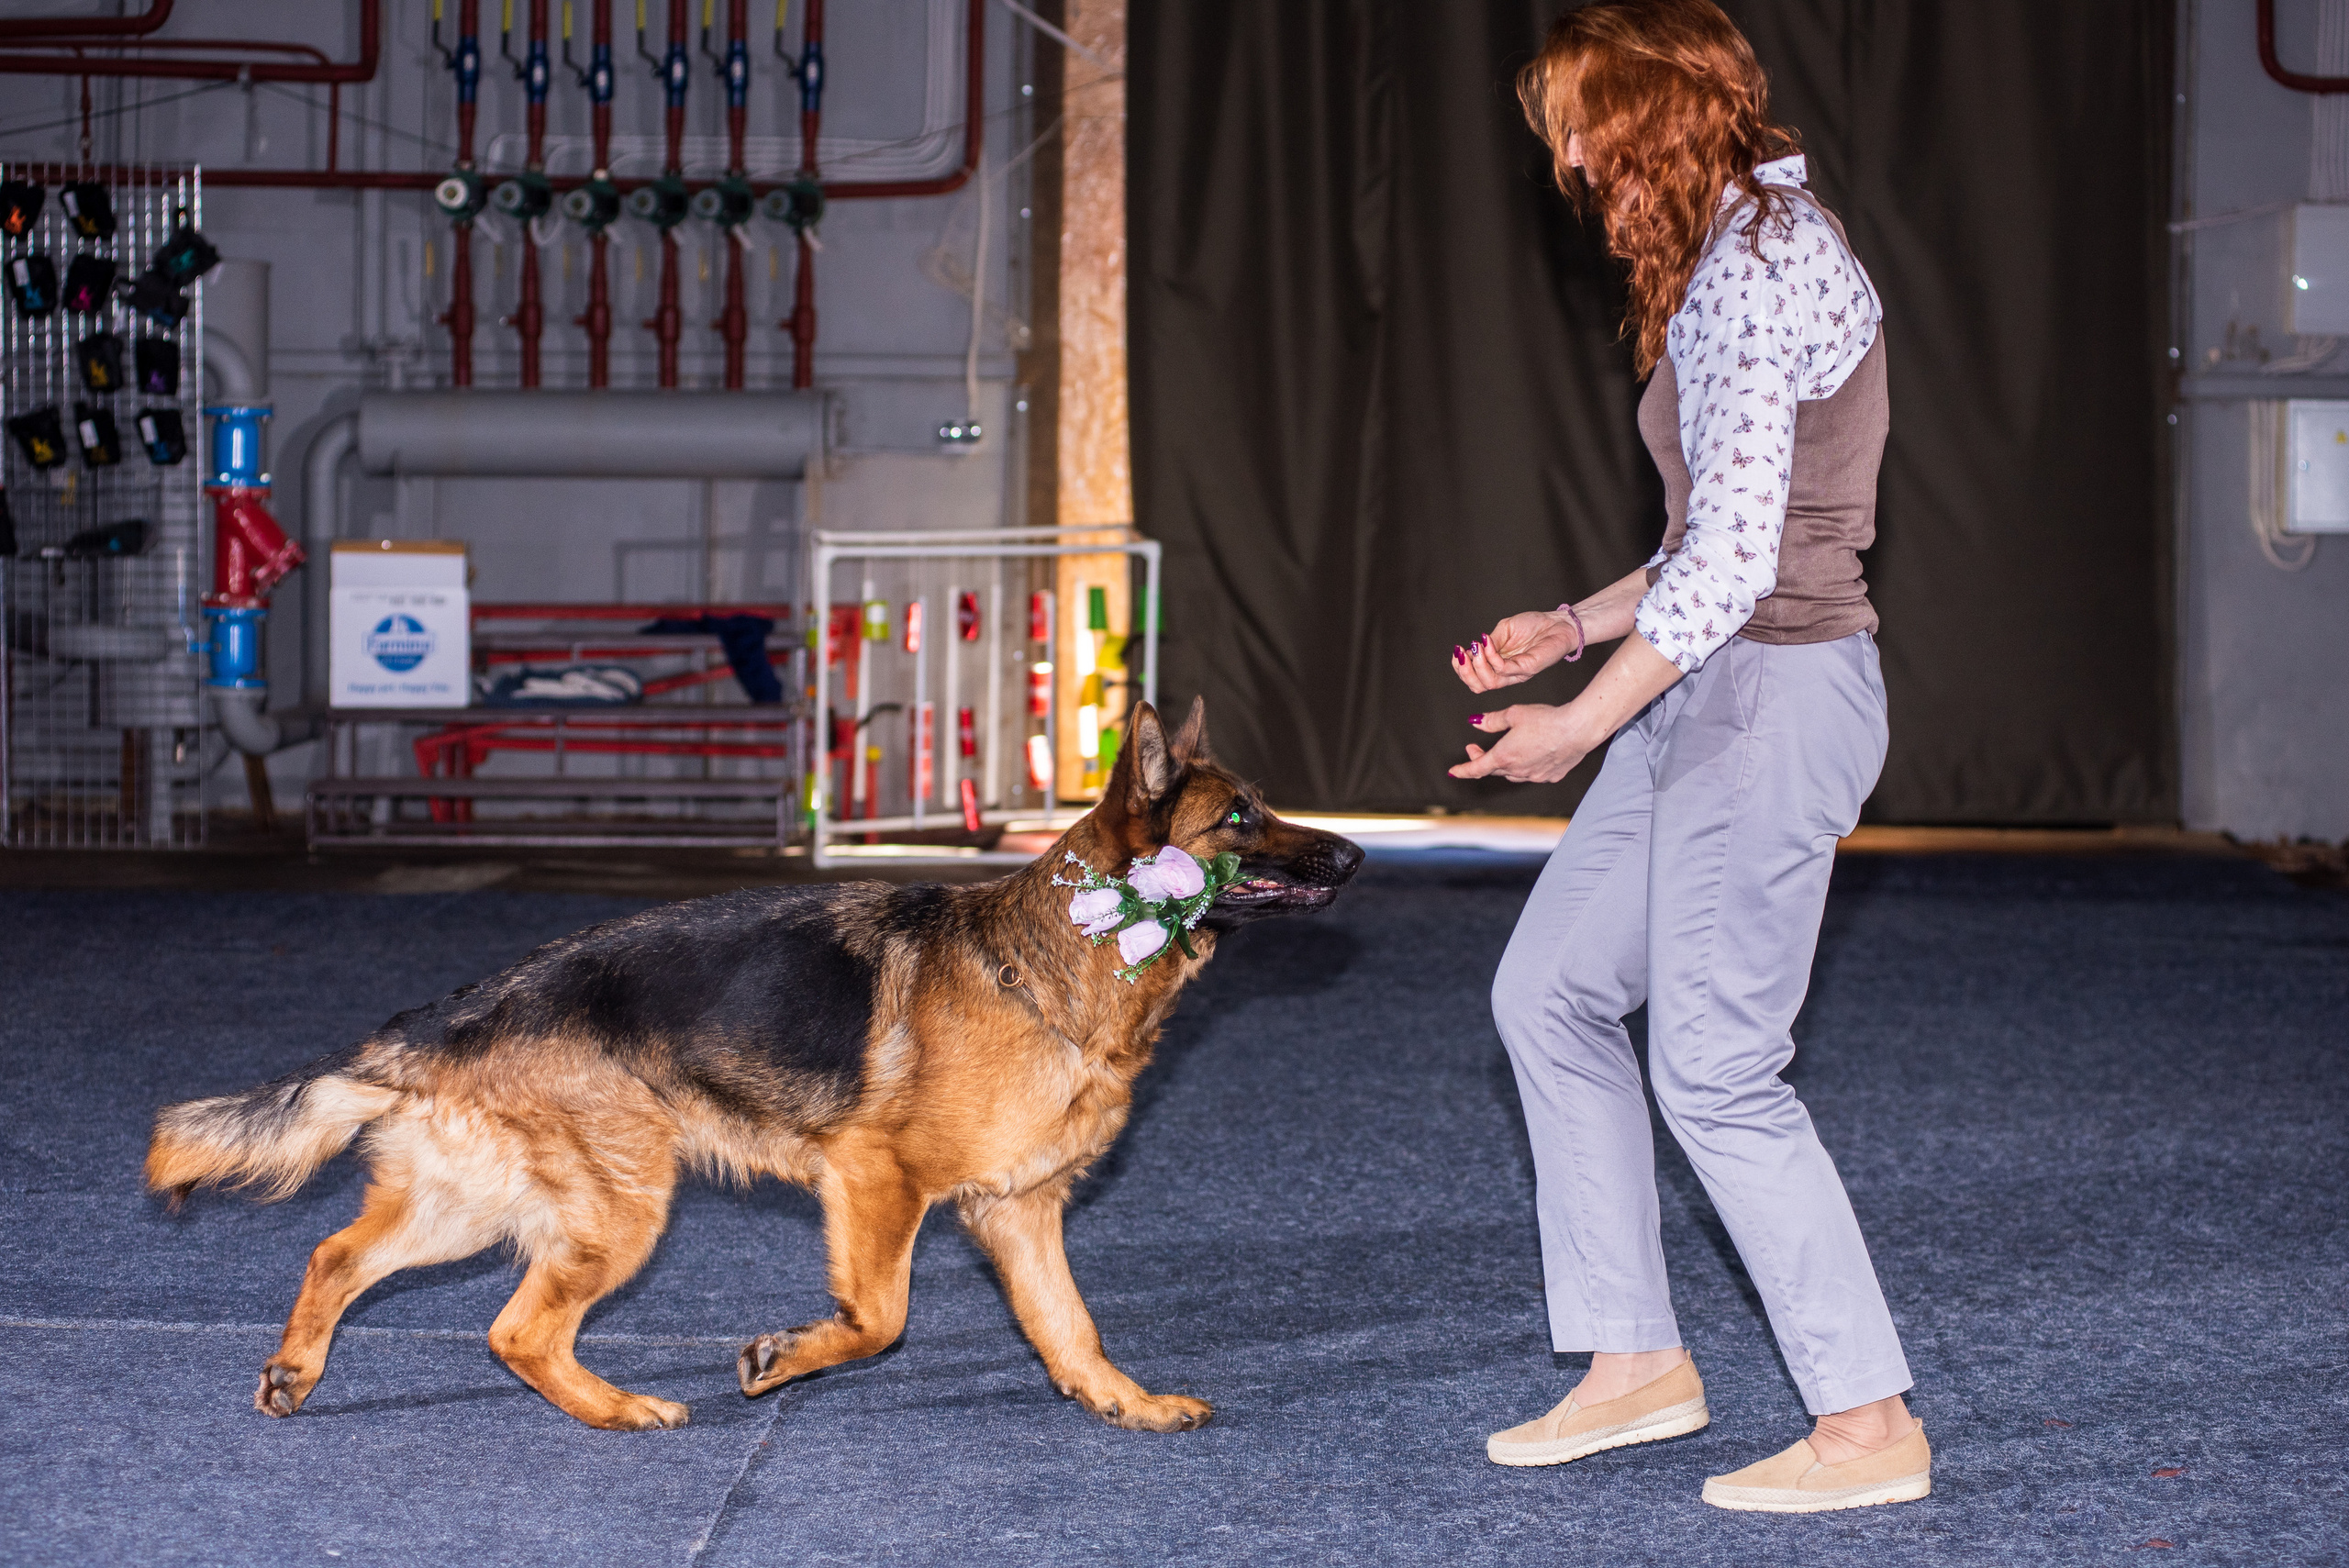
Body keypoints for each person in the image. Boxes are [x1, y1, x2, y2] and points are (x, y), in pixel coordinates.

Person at [1453, 0, 1929, 1514]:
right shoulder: (1743, 257)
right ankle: (1634, 1360)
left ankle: (1867, 1424)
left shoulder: (1762, 268)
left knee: (1718, 1066)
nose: (1575, 160)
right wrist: (1573, 625)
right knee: (1549, 993)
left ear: (1656, 113)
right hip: (1710, 687)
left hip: (1774, 698)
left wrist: (1579, 717)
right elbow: (1701, 549)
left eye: (1589, 123)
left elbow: (1735, 571)